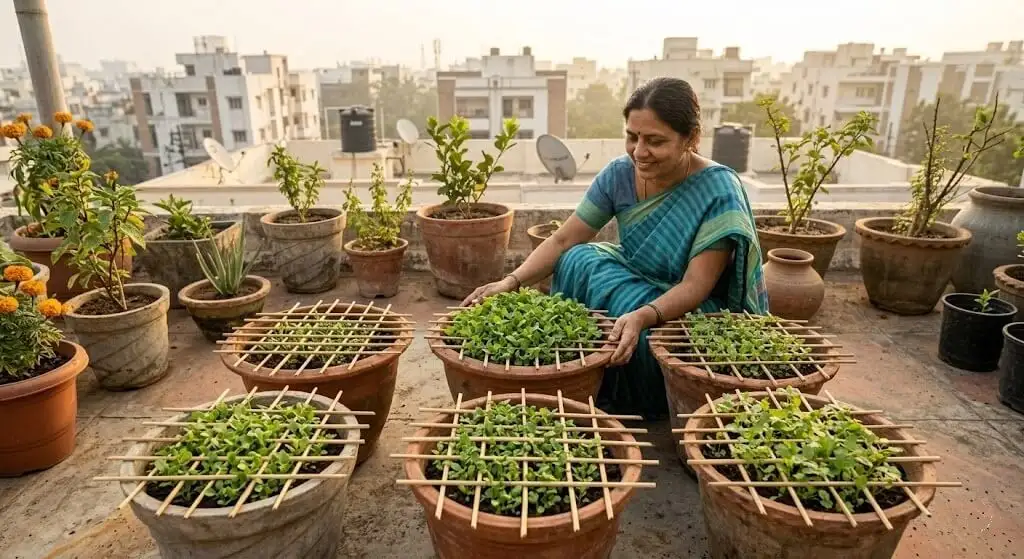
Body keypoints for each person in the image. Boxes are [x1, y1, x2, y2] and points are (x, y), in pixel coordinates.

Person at [461, 77, 769, 419]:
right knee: (576, 258)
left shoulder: (718, 190)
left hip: (692, 307)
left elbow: (696, 284)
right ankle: (592, 370)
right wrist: (511, 282)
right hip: (639, 274)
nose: (639, 152)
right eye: (632, 137)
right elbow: (564, 238)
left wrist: (642, 315)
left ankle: (635, 393)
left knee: (634, 314)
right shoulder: (620, 174)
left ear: (691, 139)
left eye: (655, 141)